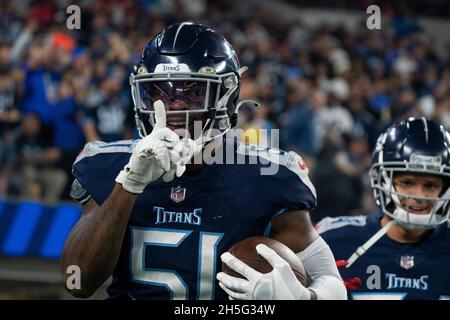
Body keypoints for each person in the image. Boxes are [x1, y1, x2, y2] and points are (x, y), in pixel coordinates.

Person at [61, 22, 346, 300]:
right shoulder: (110, 164)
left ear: (226, 98)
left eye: (192, 92)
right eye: (159, 92)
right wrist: (129, 183)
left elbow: (331, 281)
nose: (174, 106)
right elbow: (78, 281)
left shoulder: (268, 176)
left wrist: (304, 297)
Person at [316, 117, 450, 300]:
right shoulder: (333, 239)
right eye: (407, 182)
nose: (418, 195)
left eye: (430, 185)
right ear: (383, 181)